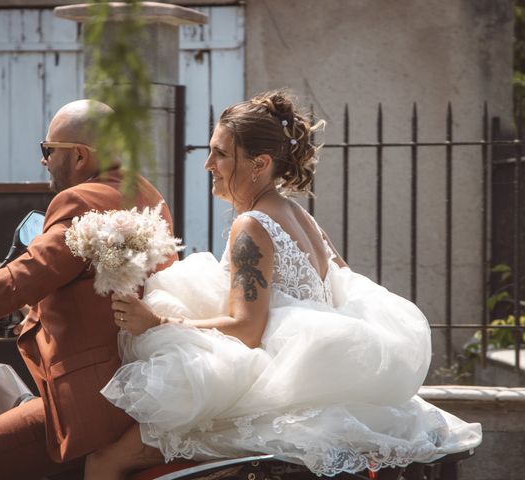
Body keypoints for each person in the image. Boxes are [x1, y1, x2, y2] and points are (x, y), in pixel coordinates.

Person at [84, 90, 482, 479]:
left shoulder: (251, 226)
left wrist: (155, 323)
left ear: (259, 163)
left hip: (269, 387)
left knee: (105, 462)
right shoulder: (302, 218)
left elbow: (246, 330)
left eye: (221, 153)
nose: (208, 163)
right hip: (312, 384)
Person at [0, 99, 178, 479]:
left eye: (48, 150)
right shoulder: (147, 195)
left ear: (78, 156)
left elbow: (23, 276)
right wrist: (12, 319)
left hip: (97, 398)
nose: (43, 160)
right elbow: (85, 285)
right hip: (139, 384)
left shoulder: (80, 201)